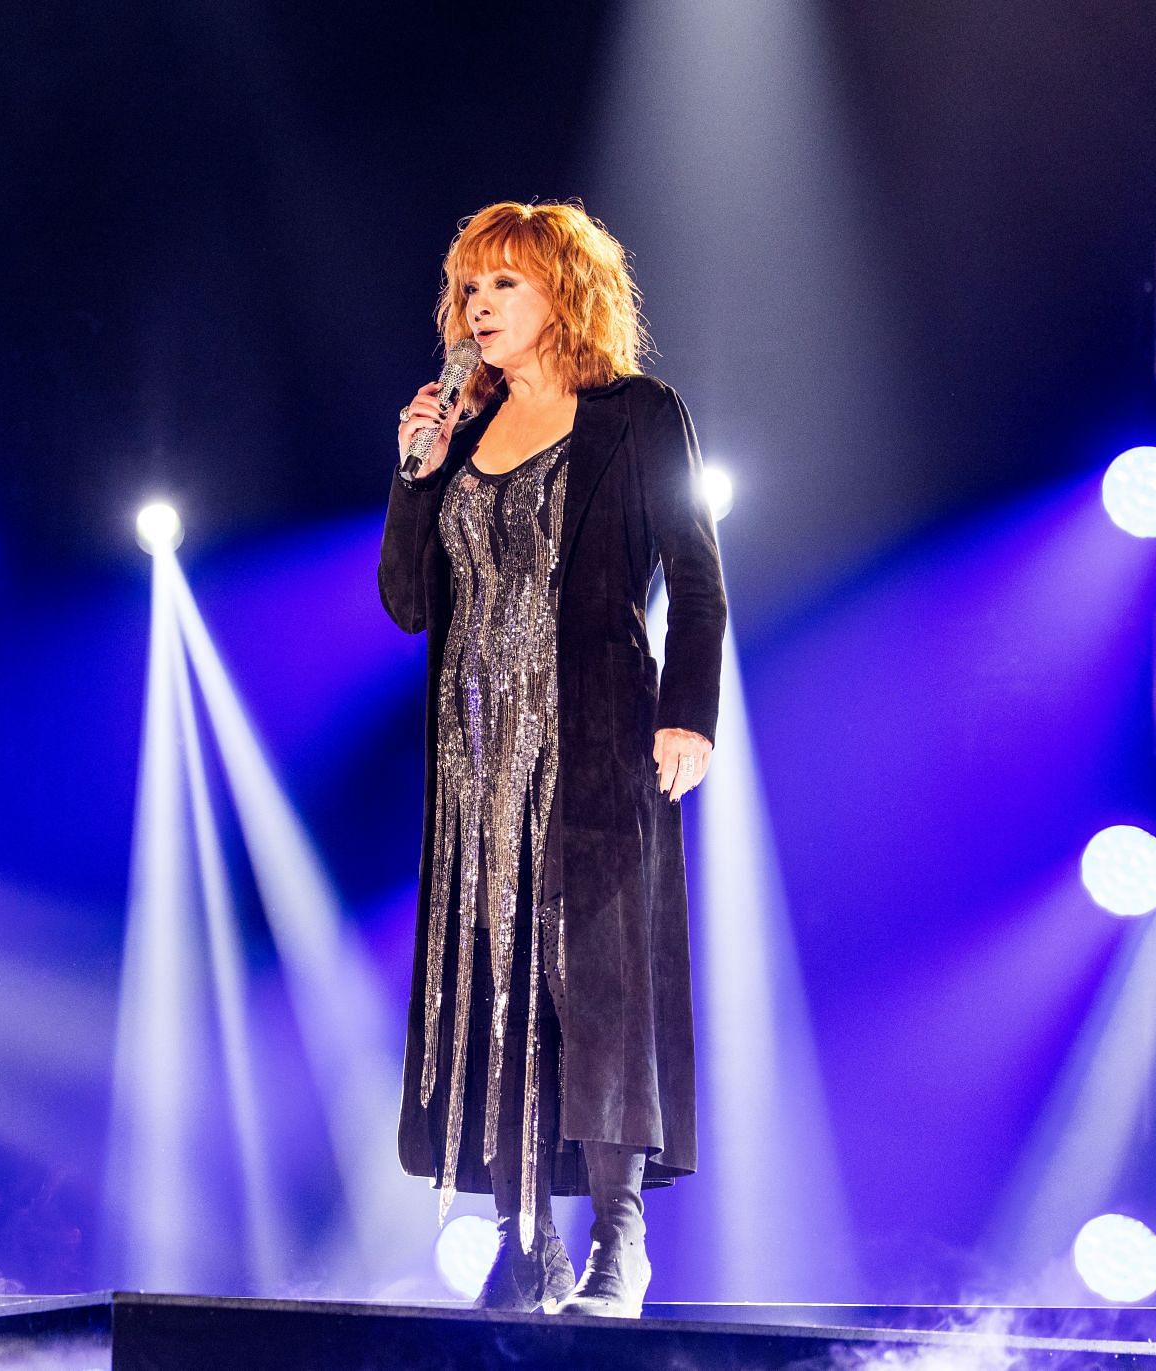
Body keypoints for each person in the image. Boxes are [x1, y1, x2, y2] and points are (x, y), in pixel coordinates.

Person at [378, 200, 727, 1319]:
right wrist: (413, 474)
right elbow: (404, 603)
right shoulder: (461, 432)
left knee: (601, 988)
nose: (481, 307)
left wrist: (689, 715)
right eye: (471, 287)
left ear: (563, 293)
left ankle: (618, 1246)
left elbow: (699, 575)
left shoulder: (636, 415)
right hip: (478, 758)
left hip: (598, 744)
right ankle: (519, 1241)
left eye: (506, 285)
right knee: (497, 988)